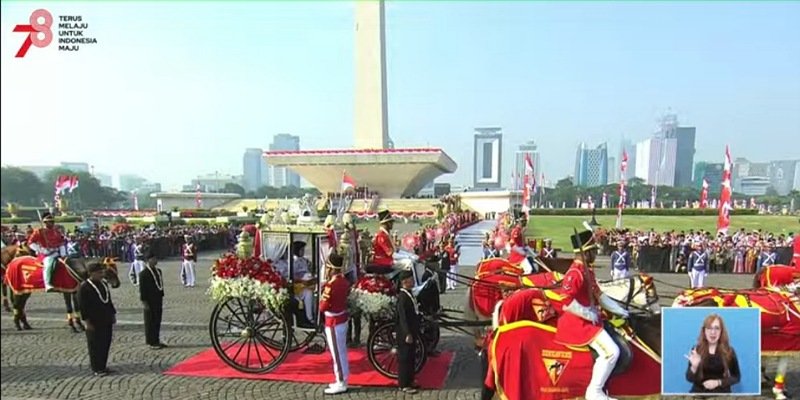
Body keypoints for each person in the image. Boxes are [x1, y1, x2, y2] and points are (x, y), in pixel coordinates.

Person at [554, 229, 630, 400]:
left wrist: (620, 310)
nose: (596, 254)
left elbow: (600, 296)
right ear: (585, 252)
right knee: (612, 352)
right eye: (593, 251)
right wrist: (587, 314)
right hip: (577, 324)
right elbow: (565, 300)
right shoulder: (575, 273)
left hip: (590, 320)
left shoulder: (587, 271)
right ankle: (594, 391)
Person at [685, 313, 741, 393]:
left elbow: (736, 377)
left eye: (717, 328)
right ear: (704, 331)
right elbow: (689, 378)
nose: (713, 332)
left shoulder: (729, 351)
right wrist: (694, 367)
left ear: (721, 331)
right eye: (709, 328)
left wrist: (718, 383)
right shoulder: (696, 350)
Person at [319, 252, 350, 395]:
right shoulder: (344, 281)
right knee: (341, 352)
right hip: (341, 319)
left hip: (333, 322)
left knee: (337, 354)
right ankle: (340, 378)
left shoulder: (331, 285)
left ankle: (341, 381)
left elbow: (323, 306)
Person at [78, 261, 117, 376]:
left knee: (105, 342)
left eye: (102, 272)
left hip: (106, 318)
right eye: (99, 273)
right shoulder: (84, 287)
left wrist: (113, 314)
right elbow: (82, 306)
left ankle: (103, 365)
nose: (101, 275)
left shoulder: (103, 284)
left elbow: (108, 301)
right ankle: (97, 368)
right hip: (93, 320)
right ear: (91, 273)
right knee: (95, 344)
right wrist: (87, 321)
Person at [27, 212, 67, 292]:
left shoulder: (56, 231)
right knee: (49, 264)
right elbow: (31, 242)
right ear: (45, 222)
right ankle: (47, 284)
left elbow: (62, 242)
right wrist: (41, 249)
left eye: (53, 221)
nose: (52, 223)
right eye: (50, 222)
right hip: (45, 254)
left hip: (56, 252)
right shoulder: (39, 231)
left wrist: (63, 253)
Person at [396, 269, 420, 394]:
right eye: (411, 279)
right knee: (405, 358)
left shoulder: (409, 294)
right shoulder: (402, 297)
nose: (414, 281)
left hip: (412, 330)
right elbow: (403, 318)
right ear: (405, 282)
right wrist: (407, 333)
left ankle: (410, 380)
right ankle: (403, 384)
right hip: (405, 333)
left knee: (411, 357)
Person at [139, 252, 166, 350]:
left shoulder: (158, 271)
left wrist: (161, 294)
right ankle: (150, 341)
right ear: (148, 260)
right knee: (150, 321)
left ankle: (156, 339)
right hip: (149, 300)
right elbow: (142, 289)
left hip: (158, 299)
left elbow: (160, 285)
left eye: (156, 258)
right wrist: (144, 301)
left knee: (157, 320)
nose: (155, 260)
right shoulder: (143, 274)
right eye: (153, 259)